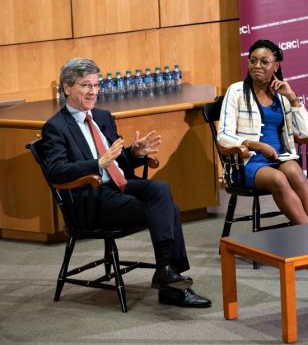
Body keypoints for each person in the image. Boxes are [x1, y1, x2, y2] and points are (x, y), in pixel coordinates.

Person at [42, 58, 211, 307]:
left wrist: (135, 153)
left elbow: (118, 161)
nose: (93, 92)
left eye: (96, 85)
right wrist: (97, 164)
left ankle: (165, 271)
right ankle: (170, 285)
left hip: (119, 187)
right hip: (90, 199)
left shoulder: (102, 116)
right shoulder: (55, 127)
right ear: (67, 88)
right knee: (168, 210)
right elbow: (56, 172)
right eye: (85, 85)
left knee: (161, 189)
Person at [217, 40, 308, 269]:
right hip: (247, 161)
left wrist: (292, 97)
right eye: (252, 61)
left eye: (264, 61)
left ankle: (307, 238)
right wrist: (255, 145)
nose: (256, 65)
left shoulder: (281, 94)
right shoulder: (236, 91)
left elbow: (306, 132)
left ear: (276, 66)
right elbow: (223, 136)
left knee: (296, 173)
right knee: (279, 179)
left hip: (280, 156)